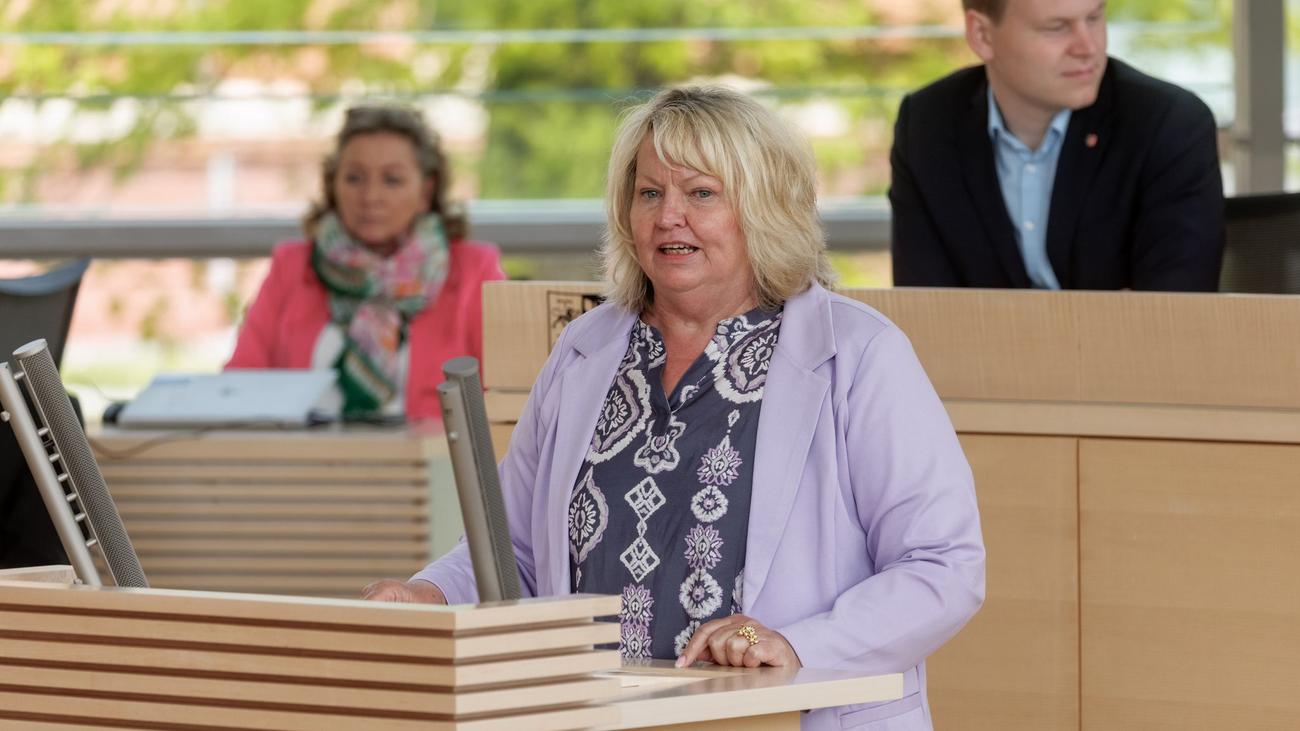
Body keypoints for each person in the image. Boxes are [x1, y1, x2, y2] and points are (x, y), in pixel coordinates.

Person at [364, 87, 985, 730]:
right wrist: (428, 593)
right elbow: (514, 551)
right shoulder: (584, 349)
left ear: (764, 208)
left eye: (701, 193)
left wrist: (796, 646)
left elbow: (944, 565)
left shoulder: (860, 353)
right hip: (595, 718)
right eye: (649, 193)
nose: (668, 217)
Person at [889, 0, 1224, 291]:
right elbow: (927, 309)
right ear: (982, 35)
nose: (1088, 47)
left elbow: (1171, 313)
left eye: (1094, 18)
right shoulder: (926, 126)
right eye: (1056, 28)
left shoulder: (1169, 124)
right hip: (974, 351)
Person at [227, 105, 505, 421]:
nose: (371, 196)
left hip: (431, 453)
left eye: (392, 180)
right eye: (354, 178)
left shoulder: (475, 270)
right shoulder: (291, 265)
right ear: (333, 185)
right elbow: (239, 387)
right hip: (301, 452)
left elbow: (509, 403)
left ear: (425, 192)